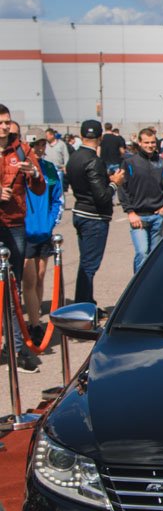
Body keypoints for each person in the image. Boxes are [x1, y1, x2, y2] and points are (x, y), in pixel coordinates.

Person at [0, 111, 46, 372]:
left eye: (7, 122)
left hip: (14, 224)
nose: (5, 127)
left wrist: (34, 174)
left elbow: (40, 187)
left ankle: (16, 348)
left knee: (11, 288)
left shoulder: (22, 150)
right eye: (0, 123)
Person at [66, 119, 125, 307]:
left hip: (80, 211)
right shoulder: (93, 160)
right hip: (94, 217)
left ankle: (86, 301)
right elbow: (102, 196)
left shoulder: (74, 157)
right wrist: (115, 183)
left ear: (81, 135)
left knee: (86, 263)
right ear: (100, 137)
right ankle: (84, 306)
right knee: (90, 265)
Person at [22, 137, 64, 344]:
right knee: (29, 281)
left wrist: (50, 223)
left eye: (41, 144)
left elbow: (58, 199)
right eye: (34, 145)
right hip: (25, 232)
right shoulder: (21, 168)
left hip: (44, 232)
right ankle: (34, 324)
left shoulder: (50, 169)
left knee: (40, 278)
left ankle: (35, 317)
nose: (38, 148)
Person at [119, 127, 163, 273]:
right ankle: (139, 284)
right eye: (146, 142)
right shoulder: (130, 163)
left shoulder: (162, 163)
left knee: (155, 255)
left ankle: (153, 283)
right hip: (138, 217)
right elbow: (122, 188)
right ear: (140, 143)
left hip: (157, 215)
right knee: (142, 253)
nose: (150, 145)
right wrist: (130, 212)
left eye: (152, 142)